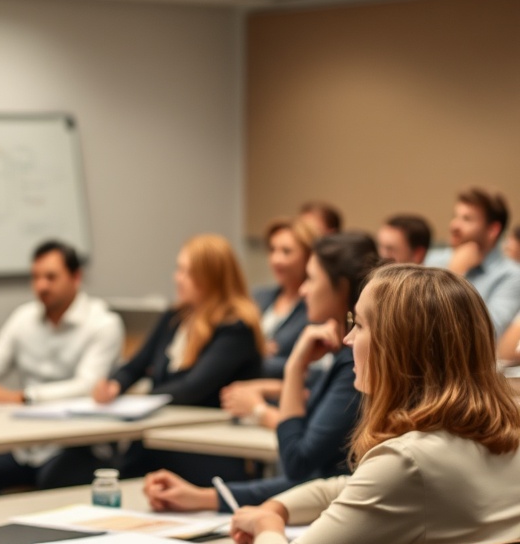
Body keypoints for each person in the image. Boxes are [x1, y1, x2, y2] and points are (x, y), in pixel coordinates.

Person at [229, 265, 520, 544]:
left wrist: (266, 527)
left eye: (360, 325)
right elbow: (350, 489)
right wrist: (278, 507)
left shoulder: (407, 465)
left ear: (399, 347)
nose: (348, 339)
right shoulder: (494, 438)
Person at [147, 233, 377, 513]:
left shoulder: (352, 366)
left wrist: (293, 369)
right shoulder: (341, 360)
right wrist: (205, 497)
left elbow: (299, 462)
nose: (303, 291)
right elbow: (314, 479)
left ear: (341, 288)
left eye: (312, 279)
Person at [0, 239, 124, 491]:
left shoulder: (103, 324)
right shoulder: (24, 318)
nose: (41, 286)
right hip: (25, 442)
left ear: (76, 277)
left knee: (52, 481)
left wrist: (22, 397)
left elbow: (87, 386)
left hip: (77, 444)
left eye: (51, 277)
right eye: (36, 277)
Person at [93, 234, 264, 483]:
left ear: (210, 278)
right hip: (166, 433)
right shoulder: (176, 316)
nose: (177, 278)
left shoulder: (236, 327)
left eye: (186, 272)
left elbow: (192, 388)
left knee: (133, 466)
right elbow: (137, 364)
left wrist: (141, 400)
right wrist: (115, 385)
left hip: (208, 445)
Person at [425, 187, 520, 336]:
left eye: (466, 219)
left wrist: (453, 275)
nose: (454, 226)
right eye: (455, 217)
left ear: (492, 230)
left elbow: (489, 334)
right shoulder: (433, 259)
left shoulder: (512, 275)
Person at [253, 218, 315, 377]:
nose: (276, 260)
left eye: (286, 251)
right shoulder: (258, 296)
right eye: (272, 250)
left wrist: (251, 353)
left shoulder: (314, 308)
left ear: (308, 256)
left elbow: (309, 369)